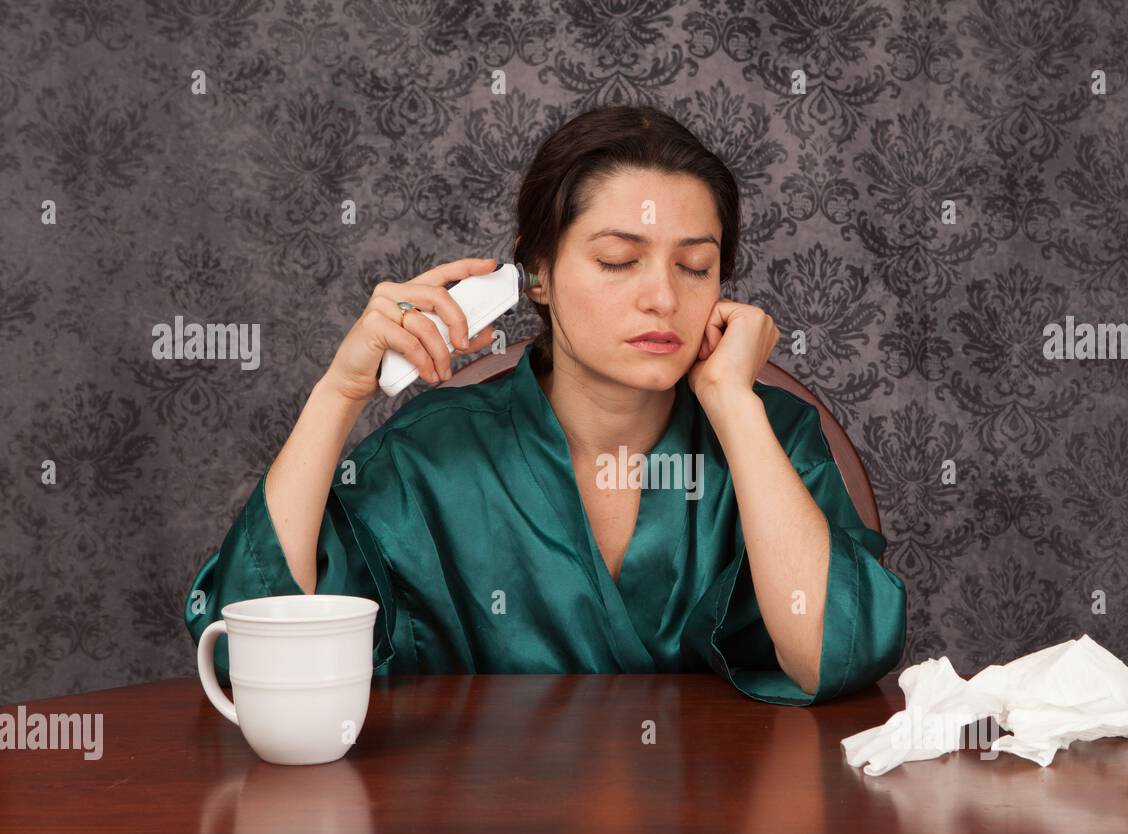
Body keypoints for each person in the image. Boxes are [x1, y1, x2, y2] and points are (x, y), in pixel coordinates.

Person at [184, 104, 906, 707]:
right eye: (619, 261)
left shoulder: (772, 437)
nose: (663, 297)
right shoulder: (430, 460)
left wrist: (734, 406)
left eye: (696, 267)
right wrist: (339, 394)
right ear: (538, 275)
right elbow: (249, 662)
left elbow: (835, 655)